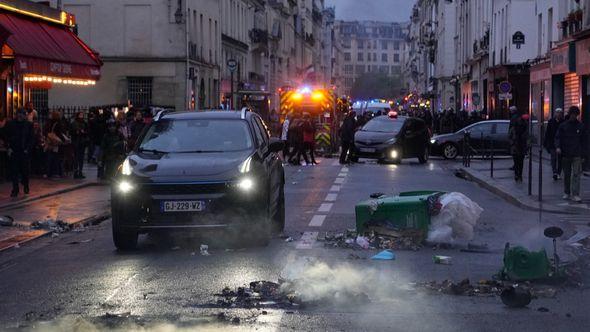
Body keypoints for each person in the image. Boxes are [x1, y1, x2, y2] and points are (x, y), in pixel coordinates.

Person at [555, 106, 588, 203]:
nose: (574, 116)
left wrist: (584, 155)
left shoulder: (581, 126)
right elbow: (558, 137)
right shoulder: (563, 126)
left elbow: (584, 141)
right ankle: (567, 192)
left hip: (577, 153)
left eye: (575, 115)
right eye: (572, 114)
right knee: (567, 174)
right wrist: (558, 147)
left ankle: (576, 194)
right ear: (570, 114)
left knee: (576, 174)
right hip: (566, 153)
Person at [4, 109, 34, 197]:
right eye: (18, 114)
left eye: (22, 114)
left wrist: (27, 149)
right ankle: (15, 189)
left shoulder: (28, 125)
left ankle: (25, 184)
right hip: (14, 150)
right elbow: (5, 135)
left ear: (25, 115)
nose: (20, 116)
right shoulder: (11, 124)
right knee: (14, 171)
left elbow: (31, 138)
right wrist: (8, 147)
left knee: (25, 170)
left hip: (24, 151)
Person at [544, 108, 565, 180]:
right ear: (555, 113)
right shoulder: (551, 121)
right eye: (557, 112)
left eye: (560, 113)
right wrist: (546, 143)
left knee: (560, 159)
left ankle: (558, 173)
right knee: (553, 158)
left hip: (561, 143)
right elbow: (548, 132)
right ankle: (554, 172)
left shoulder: (563, 122)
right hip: (552, 143)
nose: (558, 114)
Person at [509, 108, 529, 182]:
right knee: (517, 162)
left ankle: (519, 174)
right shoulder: (513, 129)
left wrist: (527, 145)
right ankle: (517, 174)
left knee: (520, 162)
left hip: (521, 147)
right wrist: (512, 143)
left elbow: (528, 137)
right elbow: (509, 137)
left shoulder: (524, 128)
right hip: (516, 147)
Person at [45, 111, 66, 178]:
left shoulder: (50, 122)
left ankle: (49, 172)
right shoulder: (58, 123)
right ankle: (56, 172)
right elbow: (59, 133)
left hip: (51, 141)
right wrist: (64, 140)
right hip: (55, 142)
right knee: (56, 157)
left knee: (50, 157)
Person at [70, 111, 88, 179]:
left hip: (82, 142)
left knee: (81, 158)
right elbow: (72, 131)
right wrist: (77, 132)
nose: (81, 116)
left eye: (82, 115)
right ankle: (76, 172)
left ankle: (80, 172)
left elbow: (87, 131)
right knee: (76, 158)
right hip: (76, 142)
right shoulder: (74, 123)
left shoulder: (84, 123)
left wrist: (83, 132)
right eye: (80, 115)